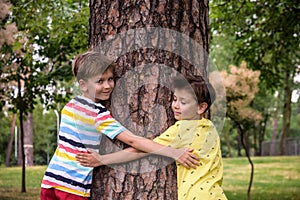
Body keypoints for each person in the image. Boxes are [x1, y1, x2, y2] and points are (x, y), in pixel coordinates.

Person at [40, 51, 199, 200]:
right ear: (83, 85)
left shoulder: (70, 106)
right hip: (72, 187)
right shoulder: (96, 114)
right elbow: (133, 141)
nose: (108, 85)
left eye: (110, 79)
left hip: (50, 180)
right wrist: (174, 153)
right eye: (100, 81)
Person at [77, 74, 227, 200]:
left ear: (201, 108)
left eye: (183, 102)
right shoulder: (209, 127)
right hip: (216, 194)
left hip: (195, 195)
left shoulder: (183, 128)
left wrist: (103, 159)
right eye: (175, 99)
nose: (175, 106)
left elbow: (142, 149)